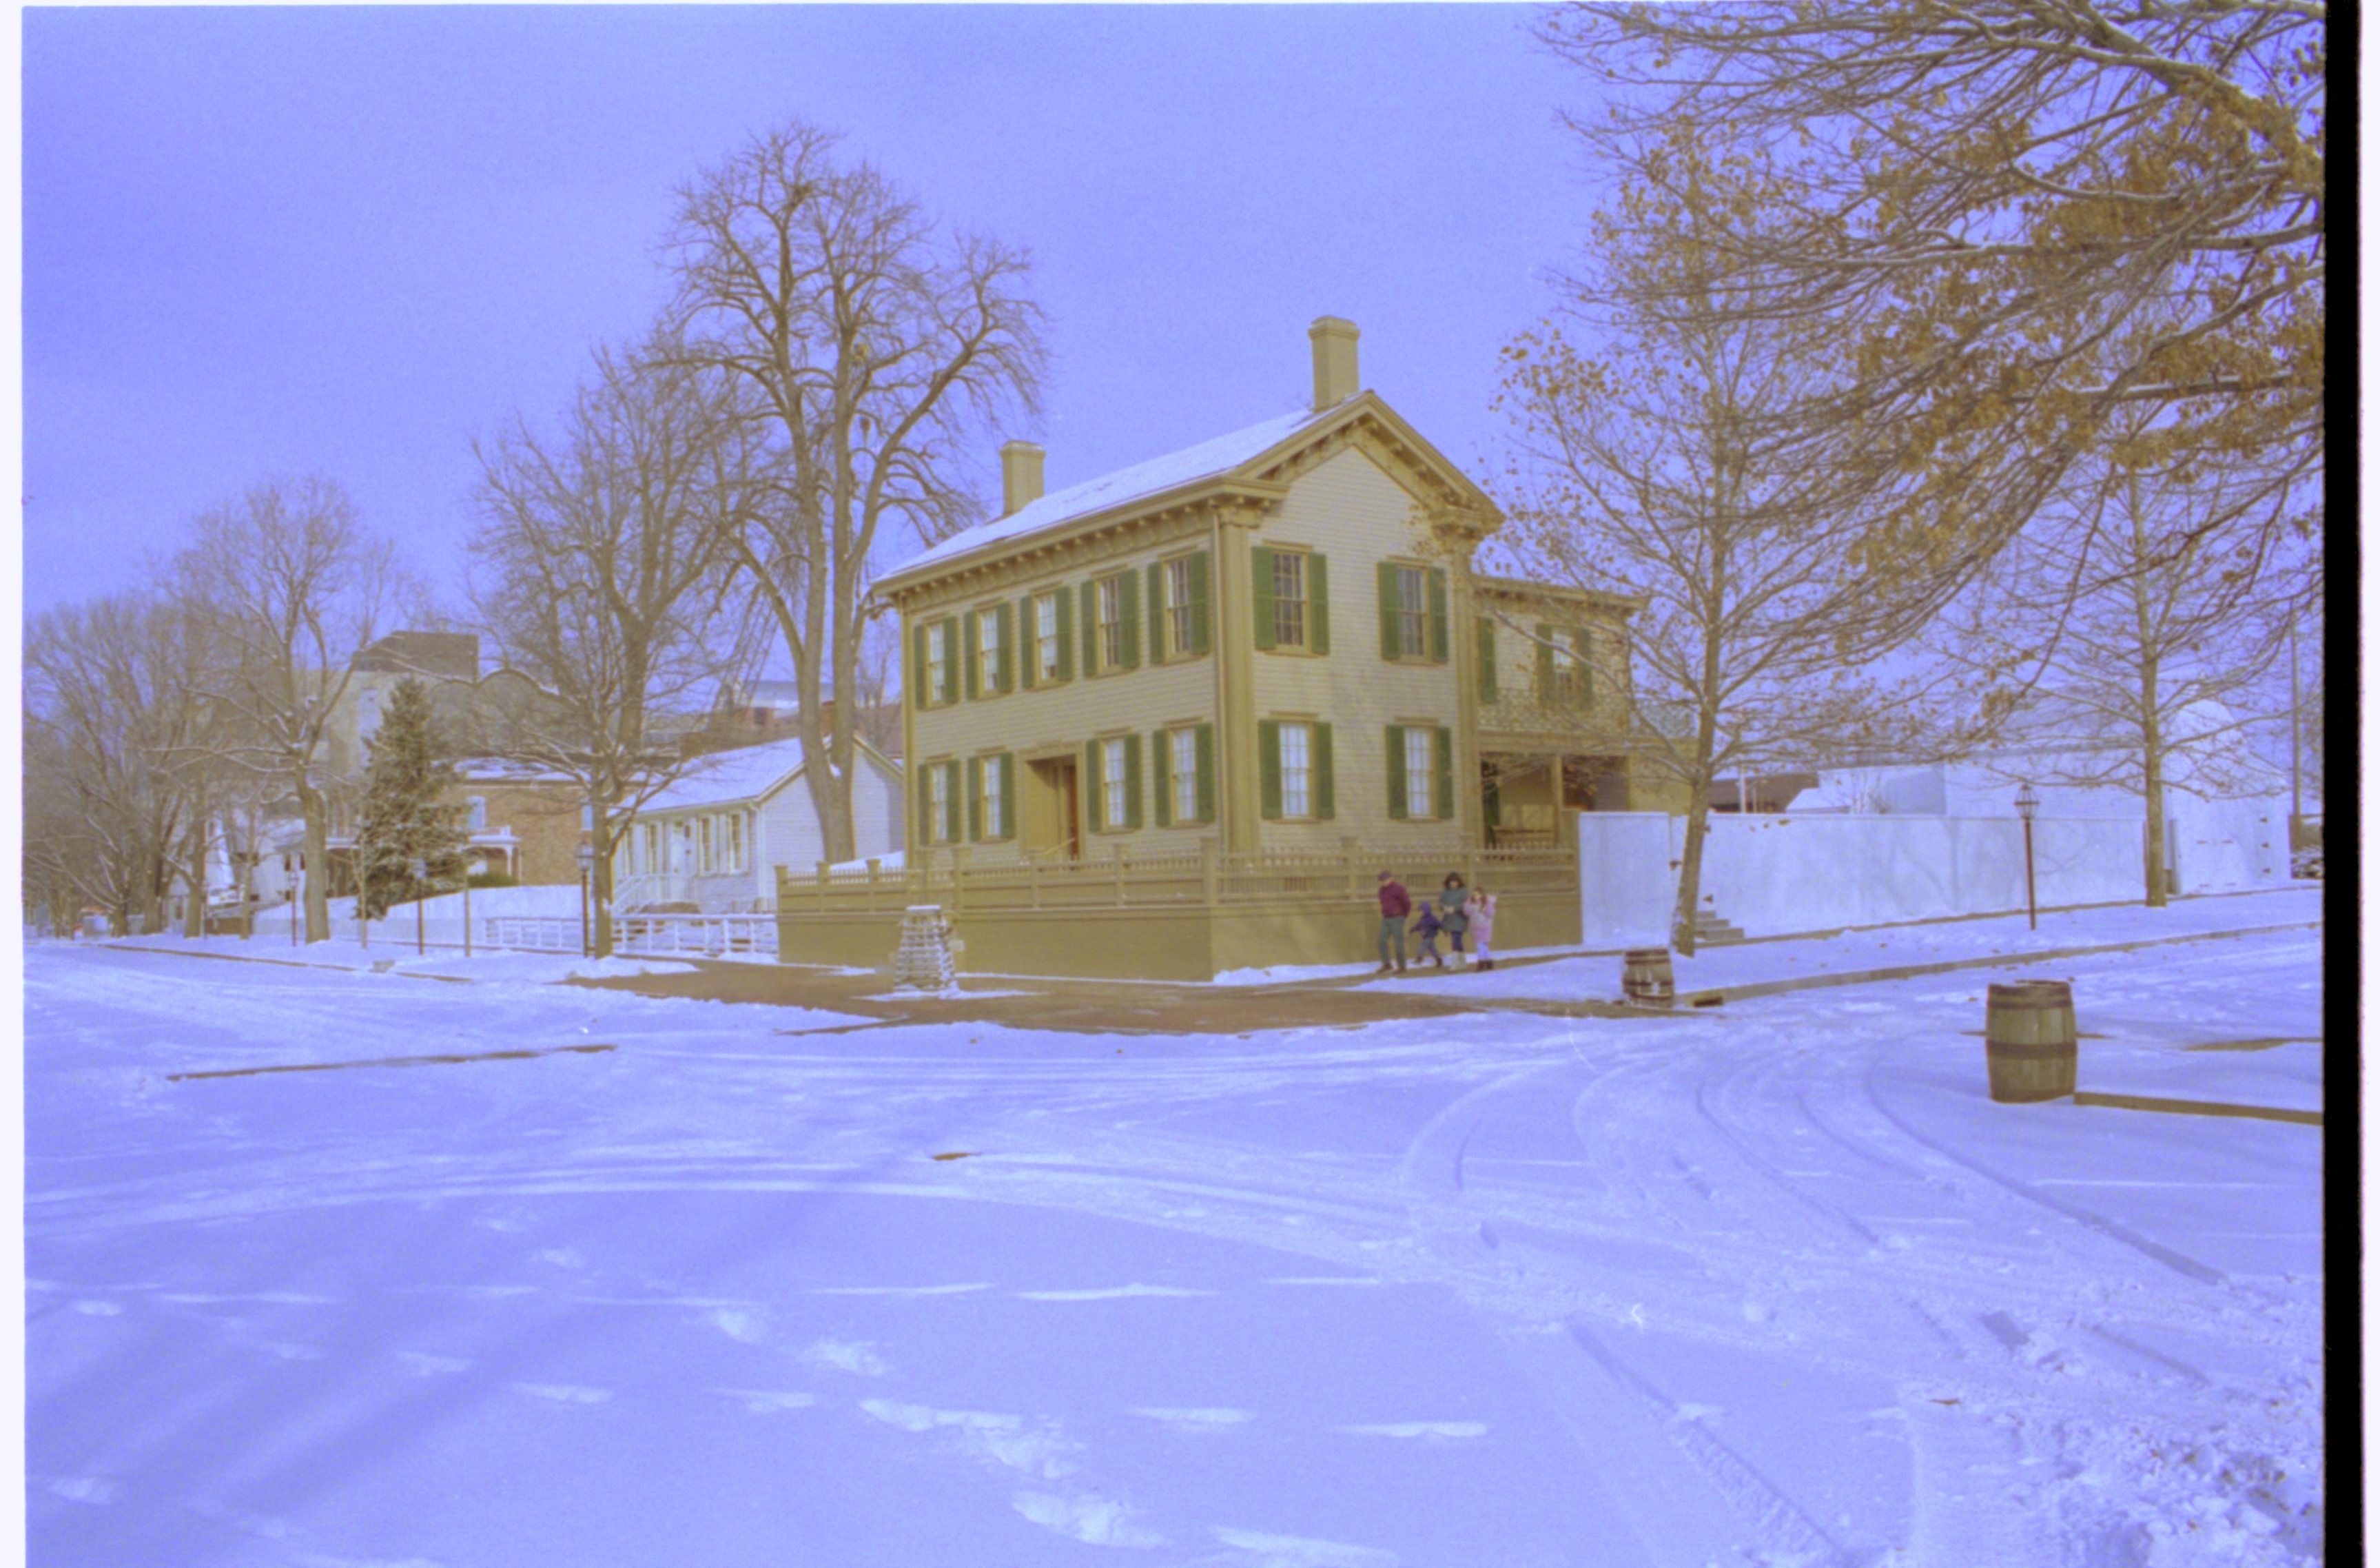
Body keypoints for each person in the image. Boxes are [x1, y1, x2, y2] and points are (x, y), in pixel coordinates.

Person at [1375, 870, 1410, 975]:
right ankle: (1387, 964)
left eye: (1386, 879)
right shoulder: (1381, 891)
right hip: (1386, 918)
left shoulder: (1399, 889)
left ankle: (1402, 966)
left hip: (1397, 918)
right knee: (1382, 941)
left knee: (1399, 943)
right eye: (1382, 880)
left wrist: (1404, 915)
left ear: (1391, 878)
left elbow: (1407, 903)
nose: (1384, 882)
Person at [1437, 873, 1472, 970]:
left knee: (1456, 938)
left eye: (1455, 882)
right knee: (1457, 939)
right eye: (1451, 882)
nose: (1453, 884)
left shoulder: (1464, 891)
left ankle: (1454, 961)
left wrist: (1455, 908)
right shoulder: (1445, 892)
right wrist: (1443, 907)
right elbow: (1440, 902)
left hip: (1460, 918)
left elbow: (1467, 904)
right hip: (1449, 918)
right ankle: (1462, 961)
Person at [1410, 899, 1446, 967]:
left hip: (1430, 936)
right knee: (1432, 949)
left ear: (1425, 910)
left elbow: (1439, 924)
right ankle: (1439, 960)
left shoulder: (1432, 919)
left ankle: (1420, 958)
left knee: (1423, 946)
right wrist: (1413, 929)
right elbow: (1419, 926)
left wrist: (1444, 929)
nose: (1420, 912)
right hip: (1425, 936)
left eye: (1421, 910)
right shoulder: (1422, 919)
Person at [1470, 888, 1498, 971]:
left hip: (1485, 927)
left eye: (1477, 894)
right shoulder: (1473, 904)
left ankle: (1481, 962)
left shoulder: (1486, 904)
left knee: (1480, 945)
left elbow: (1490, 913)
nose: (1476, 896)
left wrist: (1488, 904)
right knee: (1484, 946)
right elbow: (1471, 915)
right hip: (1477, 927)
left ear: (1482, 895)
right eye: (1474, 894)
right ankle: (1489, 961)